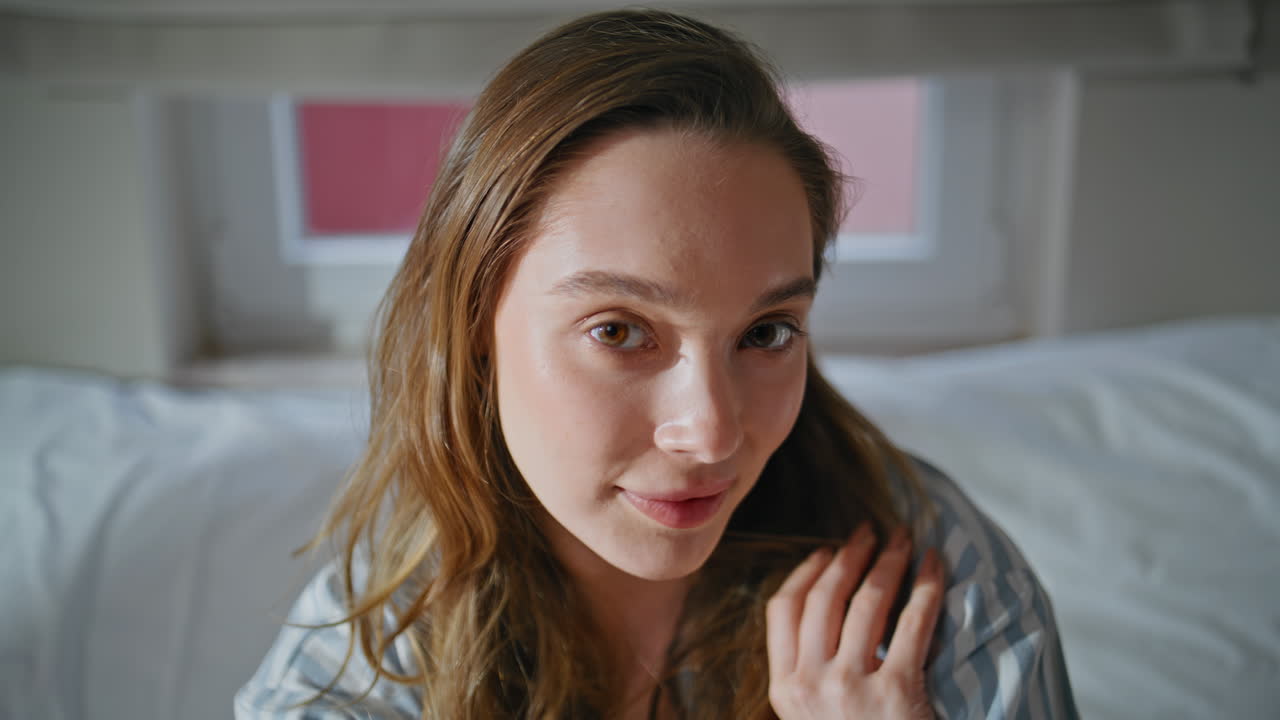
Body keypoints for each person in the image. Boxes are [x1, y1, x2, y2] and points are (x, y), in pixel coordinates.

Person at [236, 9, 1078, 719]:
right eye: (618, 332)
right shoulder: (366, 662)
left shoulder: (941, 593)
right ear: (474, 329)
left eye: (765, 333)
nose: (710, 432)